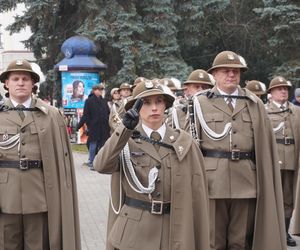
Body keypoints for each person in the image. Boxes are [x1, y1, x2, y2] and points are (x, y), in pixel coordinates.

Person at [94, 79, 210, 250]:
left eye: (159, 101)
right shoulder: (125, 141)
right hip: (134, 233)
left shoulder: (184, 142)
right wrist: (124, 129)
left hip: (174, 229)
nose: (154, 108)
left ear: (165, 105)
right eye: (146, 103)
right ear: (136, 108)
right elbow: (101, 165)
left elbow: (198, 193)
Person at [193, 51, 286, 250]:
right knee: (213, 242)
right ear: (214, 74)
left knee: (240, 242)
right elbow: (192, 146)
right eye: (225, 71)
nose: (231, 75)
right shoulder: (200, 103)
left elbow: (265, 145)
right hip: (212, 183)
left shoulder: (254, 103)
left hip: (246, 182)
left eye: (236, 71)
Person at [0, 59, 81, 249]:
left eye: (25, 79)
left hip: (38, 195)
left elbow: (62, 160)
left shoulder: (50, 115)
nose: (20, 83)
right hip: (5, 197)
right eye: (15, 79)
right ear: (6, 83)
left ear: (33, 83)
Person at [265, 76, 300, 247]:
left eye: (286, 88)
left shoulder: (296, 110)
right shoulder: (264, 111)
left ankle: (284, 232)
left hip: (292, 159)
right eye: (279, 88)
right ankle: (271, 231)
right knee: (271, 196)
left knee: (288, 198)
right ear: (271, 92)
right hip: (273, 159)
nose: (284, 91)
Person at [77, 84, 110, 170]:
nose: (100, 91)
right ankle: (91, 161)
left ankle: (100, 162)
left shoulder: (104, 101)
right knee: (93, 145)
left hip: (104, 127)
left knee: (102, 145)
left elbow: (108, 113)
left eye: (101, 90)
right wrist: (79, 125)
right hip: (94, 127)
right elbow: (85, 115)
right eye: (98, 90)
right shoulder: (89, 101)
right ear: (94, 90)